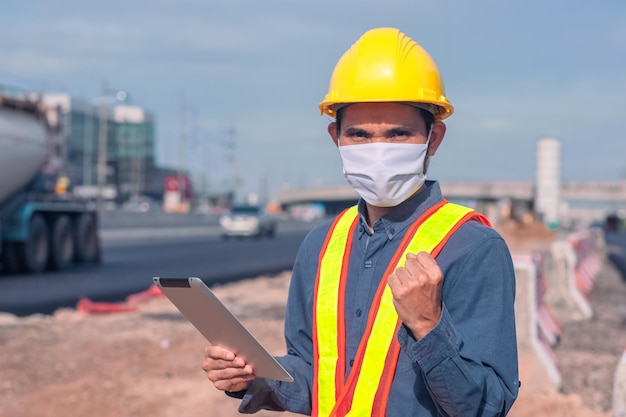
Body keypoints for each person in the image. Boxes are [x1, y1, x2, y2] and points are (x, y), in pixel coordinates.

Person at [202, 27, 520, 416]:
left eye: (398, 134)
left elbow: (487, 406)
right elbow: (315, 377)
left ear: (433, 139)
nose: (378, 152)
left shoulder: (473, 247)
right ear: (336, 137)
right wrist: (254, 377)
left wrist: (428, 326)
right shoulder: (321, 245)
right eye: (359, 135)